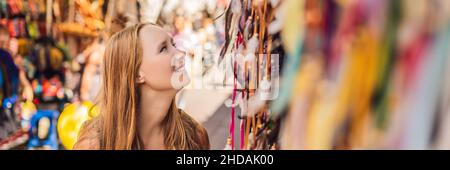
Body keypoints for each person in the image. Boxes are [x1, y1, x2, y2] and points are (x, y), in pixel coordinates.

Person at [73, 23, 210, 150]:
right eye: (163, 48)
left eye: (173, 44)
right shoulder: (94, 144)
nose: (180, 53)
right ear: (137, 74)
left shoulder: (194, 135)